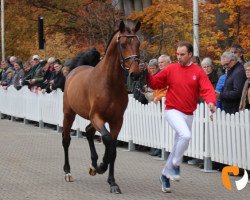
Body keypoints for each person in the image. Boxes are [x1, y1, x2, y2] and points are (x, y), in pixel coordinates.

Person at [146, 41, 216, 193]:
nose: (179, 57)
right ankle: (176, 165)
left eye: (182, 54)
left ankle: (165, 175)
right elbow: (156, 83)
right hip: (172, 110)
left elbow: (207, 89)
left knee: (179, 144)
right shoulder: (171, 68)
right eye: (177, 54)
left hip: (188, 114)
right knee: (186, 135)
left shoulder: (197, 71)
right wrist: (146, 74)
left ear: (190, 54)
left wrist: (211, 102)